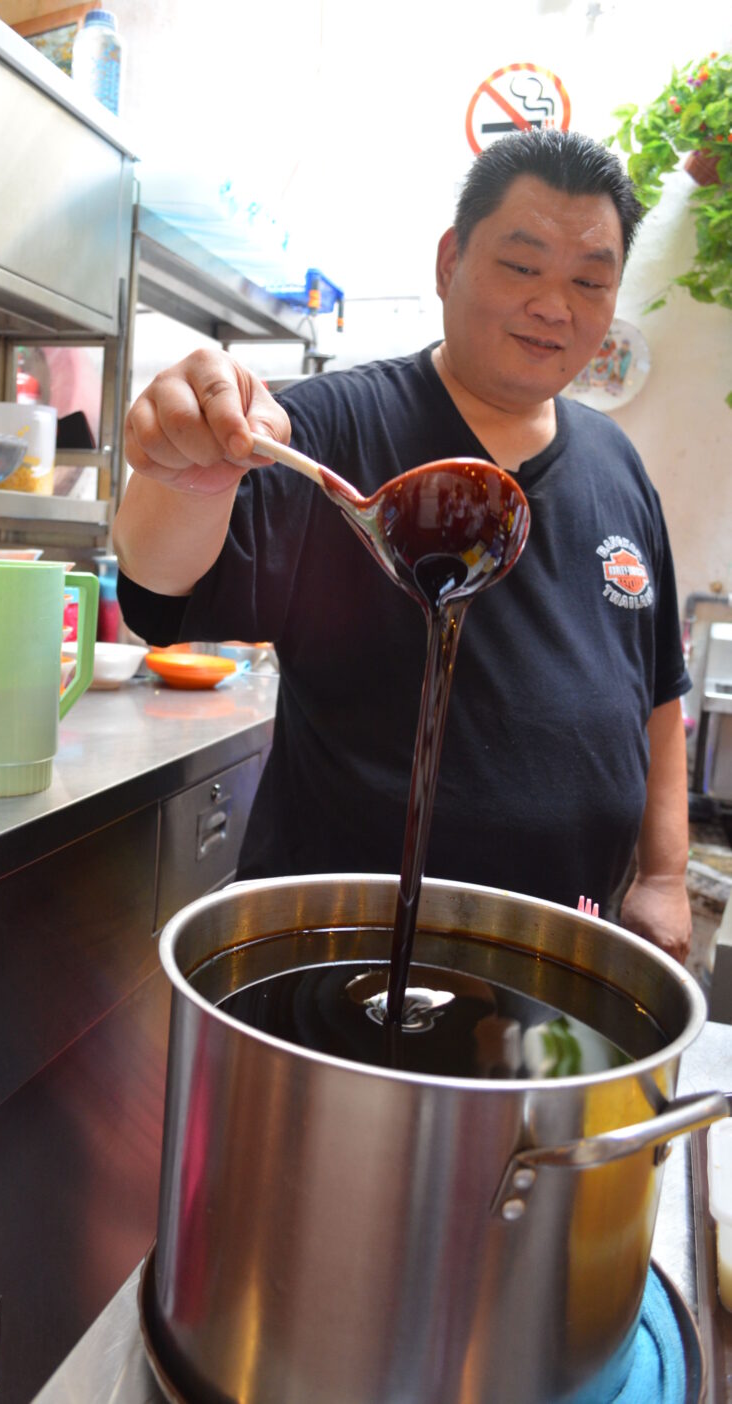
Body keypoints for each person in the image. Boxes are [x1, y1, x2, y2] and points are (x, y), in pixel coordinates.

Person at [113, 129, 693, 963]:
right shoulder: (328, 429)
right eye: (523, 267)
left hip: (558, 956)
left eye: (589, 281)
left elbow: (658, 694)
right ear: (450, 261)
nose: (555, 307)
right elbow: (157, 585)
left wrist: (665, 877)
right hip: (338, 951)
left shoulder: (618, 465)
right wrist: (184, 476)